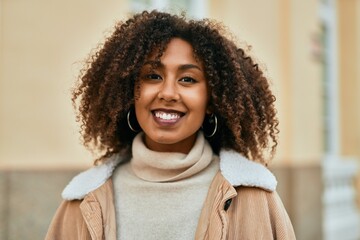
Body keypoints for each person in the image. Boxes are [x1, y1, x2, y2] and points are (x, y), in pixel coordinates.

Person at [46, 10, 296, 240]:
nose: (168, 93)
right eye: (153, 76)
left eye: (188, 79)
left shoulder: (256, 198)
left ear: (212, 99)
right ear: (129, 90)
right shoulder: (81, 200)